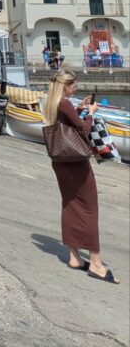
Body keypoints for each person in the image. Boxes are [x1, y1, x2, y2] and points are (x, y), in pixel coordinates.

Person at [43, 70, 120, 284]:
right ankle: (95, 263)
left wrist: (80, 109)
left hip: (60, 160)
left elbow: (65, 122)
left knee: (70, 204)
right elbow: (82, 132)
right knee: (89, 208)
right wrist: (91, 113)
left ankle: (74, 257)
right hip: (76, 163)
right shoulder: (65, 103)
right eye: (74, 85)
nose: (75, 88)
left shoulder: (52, 102)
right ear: (66, 85)